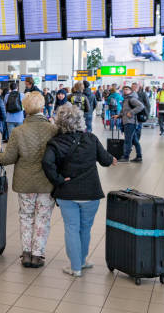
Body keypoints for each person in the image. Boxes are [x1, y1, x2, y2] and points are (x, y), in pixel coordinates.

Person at [42, 105, 116, 277]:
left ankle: (75, 267)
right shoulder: (90, 138)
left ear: (59, 122)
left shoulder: (55, 143)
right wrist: (112, 159)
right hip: (91, 193)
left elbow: (47, 163)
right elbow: (105, 160)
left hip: (67, 194)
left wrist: (58, 179)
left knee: (72, 228)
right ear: (80, 120)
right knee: (85, 228)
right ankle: (82, 261)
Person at [0, 92, 58, 268]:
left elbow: (8, 158)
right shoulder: (53, 130)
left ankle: (26, 253)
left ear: (25, 109)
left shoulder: (18, 131)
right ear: (42, 108)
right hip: (47, 182)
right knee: (43, 219)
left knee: (26, 217)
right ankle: (37, 255)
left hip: (25, 183)